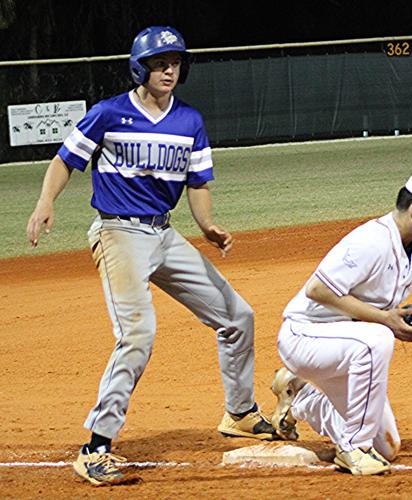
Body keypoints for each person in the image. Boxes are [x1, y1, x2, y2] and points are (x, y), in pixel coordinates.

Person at [26, 26, 275, 486]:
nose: (169, 70)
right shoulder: (109, 113)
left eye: (176, 62)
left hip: (164, 234)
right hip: (118, 233)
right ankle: (95, 447)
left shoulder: (189, 122)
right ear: (140, 67)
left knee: (237, 316)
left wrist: (207, 226)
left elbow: (198, 183)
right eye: (160, 63)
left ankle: (239, 412)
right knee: (138, 335)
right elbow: (65, 160)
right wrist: (46, 202)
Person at [270, 168, 412, 476]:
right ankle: (353, 448)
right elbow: (317, 290)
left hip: (344, 345)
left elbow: (377, 304)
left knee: (387, 447)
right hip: (305, 336)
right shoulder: (370, 241)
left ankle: (300, 398)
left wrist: (407, 320)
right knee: (377, 339)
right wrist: (386, 321)